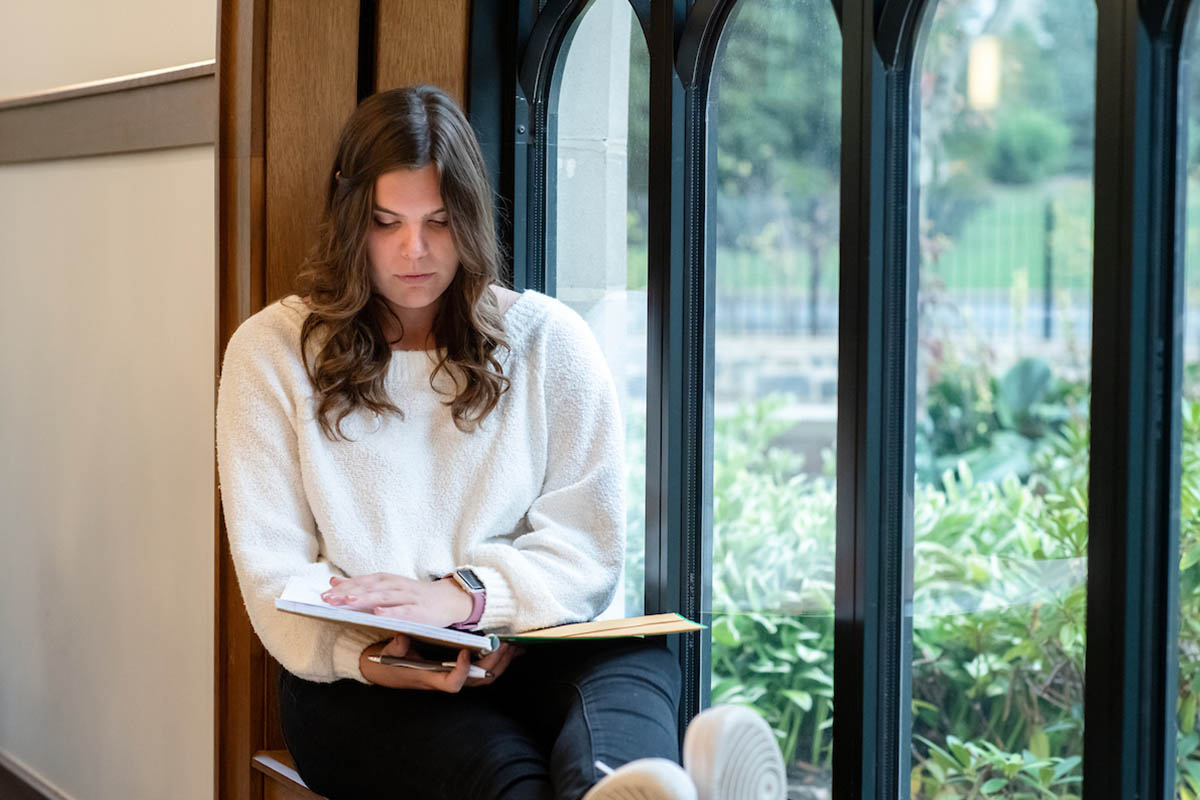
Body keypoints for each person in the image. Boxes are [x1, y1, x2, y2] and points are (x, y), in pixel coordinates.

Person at [216, 84, 781, 800]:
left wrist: (468, 597)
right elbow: (274, 579)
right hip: (363, 677)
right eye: (386, 222)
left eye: (440, 222)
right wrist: (388, 658)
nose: (412, 251)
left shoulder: (548, 341)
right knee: (501, 774)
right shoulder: (271, 353)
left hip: (525, 642)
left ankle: (625, 788)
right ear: (350, 217)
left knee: (635, 666)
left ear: (472, 219)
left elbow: (589, 546)